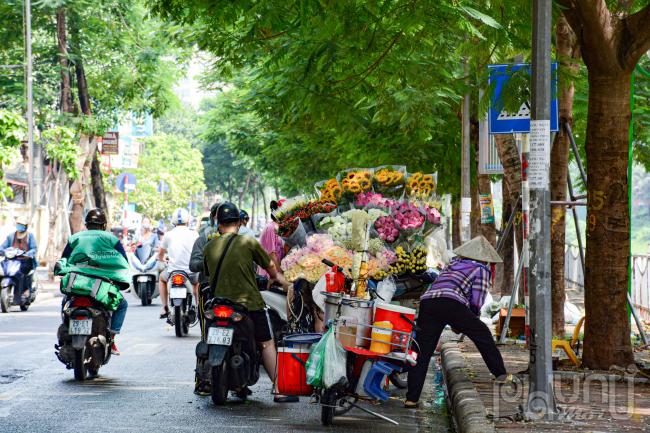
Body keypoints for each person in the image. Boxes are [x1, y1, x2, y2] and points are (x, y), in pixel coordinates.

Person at [203, 202, 296, 403]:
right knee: (266, 343)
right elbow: (270, 266)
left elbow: (207, 273)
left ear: (218, 223)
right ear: (238, 223)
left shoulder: (209, 246)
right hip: (248, 304)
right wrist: (277, 278)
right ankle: (279, 389)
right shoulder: (248, 242)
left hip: (217, 302)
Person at [405, 235, 511, 408]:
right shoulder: (481, 269)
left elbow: (442, 288)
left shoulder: (453, 264)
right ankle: (500, 373)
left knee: (423, 351)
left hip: (428, 303)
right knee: (482, 333)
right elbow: (477, 301)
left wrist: (459, 322)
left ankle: (411, 398)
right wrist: (466, 322)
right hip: (452, 303)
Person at [60, 209, 130, 355]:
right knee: (122, 305)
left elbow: (64, 259)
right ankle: (111, 338)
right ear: (103, 225)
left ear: (87, 224)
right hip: (101, 286)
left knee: (65, 302)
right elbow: (123, 261)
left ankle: (66, 327)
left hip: (76, 283)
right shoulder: (111, 239)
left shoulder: (75, 237)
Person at [158, 208, 199, 319]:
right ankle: (199, 307)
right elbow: (199, 251)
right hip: (191, 272)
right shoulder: (194, 234)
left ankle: (165, 307)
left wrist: (161, 261)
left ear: (174, 221)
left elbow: (160, 253)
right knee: (197, 284)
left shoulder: (168, 235)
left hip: (173, 272)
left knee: (161, 279)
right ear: (188, 220)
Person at [0, 215, 38, 300]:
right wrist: (2, 251)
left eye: (22, 225)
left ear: (25, 226)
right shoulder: (11, 236)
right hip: (12, 260)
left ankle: (26, 291)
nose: (19, 226)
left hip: (25, 261)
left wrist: (28, 254)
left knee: (22, 272)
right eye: (18, 224)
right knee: (2, 270)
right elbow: (3, 246)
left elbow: (34, 248)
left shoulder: (30, 236)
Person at [257, 201, 286, 280]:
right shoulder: (271, 228)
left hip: (275, 271)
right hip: (270, 274)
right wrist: (280, 272)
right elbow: (271, 254)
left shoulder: (278, 226)